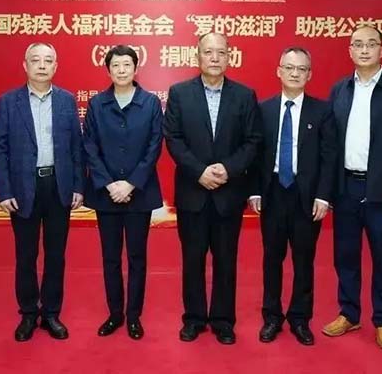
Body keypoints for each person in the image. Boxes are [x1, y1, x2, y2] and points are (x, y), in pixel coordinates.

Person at [322, 24, 382, 350]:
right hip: (346, 188)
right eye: (358, 44)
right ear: (350, 50)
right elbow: (329, 145)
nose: (364, 50)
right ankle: (349, 313)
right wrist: (329, 190)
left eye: (371, 44)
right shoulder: (339, 90)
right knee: (345, 256)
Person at [163, 32, 261, 345]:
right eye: (208, 52)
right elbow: (173, 138)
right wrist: (200, 172)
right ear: (198, 56)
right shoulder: (180, 93)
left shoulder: (244, 95)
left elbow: (253, 141)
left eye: (221, 52)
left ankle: (223, 320)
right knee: (192, 260)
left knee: (226, 260)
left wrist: (228, 169)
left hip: (228, 194)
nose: (215, 58)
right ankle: (193, 319)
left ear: (229, 56)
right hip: (193, 193)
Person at [0, 42, 84, 342]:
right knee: (26, 255)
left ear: (56, 66)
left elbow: (77, 147)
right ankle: (29, 313)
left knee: (56, 255)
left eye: (48, 61)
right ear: (25, 65)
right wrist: (4, 191)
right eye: (36, 60)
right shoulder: (9, 102)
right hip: (23, 188)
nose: (42, 66)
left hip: (58, 186)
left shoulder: (67, 100)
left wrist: (78, 185)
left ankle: (52, 313)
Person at [248, 47, 337, 346]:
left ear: (309, 74)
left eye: (301, 69)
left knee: (304, 259)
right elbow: (255, 154)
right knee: (271, 258)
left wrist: (323, 196)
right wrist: (255, 190)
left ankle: (300, 318)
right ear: (279, 71)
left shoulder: (322, 111)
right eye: (289, 67)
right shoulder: (263, 109)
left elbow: (329, 157)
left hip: (306, 197)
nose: (295, 73)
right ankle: (272, 317)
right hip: (273, 192)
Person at [83, 45, 163, 341]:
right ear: (108, 70)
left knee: (137, 257)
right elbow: (89, 146)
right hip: (106, 194)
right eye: (115, 65)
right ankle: (115, 314)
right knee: (111, 257)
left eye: (126, 64)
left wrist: (130, 183)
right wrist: (109, 183)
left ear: (135, 68)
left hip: (139, 193)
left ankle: (133, 316)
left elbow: (154, 146)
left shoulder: (150, 103)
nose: (121, 70)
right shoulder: (97, 104)